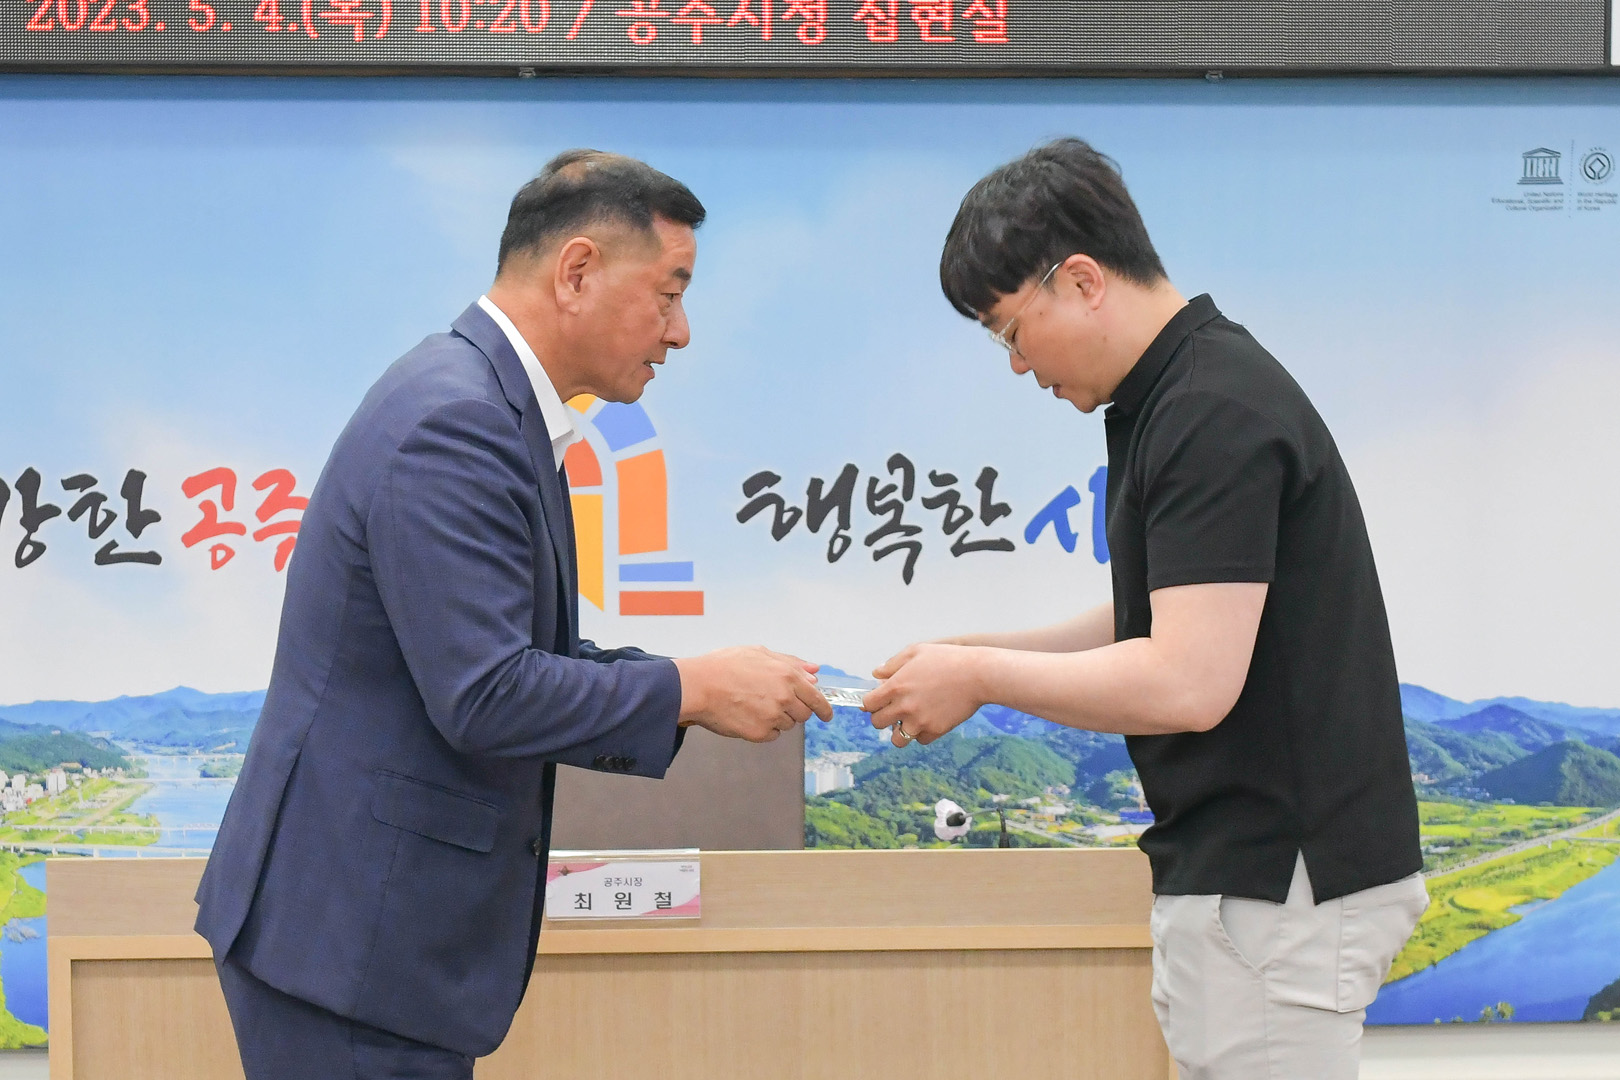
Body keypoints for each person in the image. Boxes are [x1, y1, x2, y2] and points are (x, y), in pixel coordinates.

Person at [194, 149, 832, 1080]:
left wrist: (702, 683)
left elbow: (524, 655)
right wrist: (691, 689)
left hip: (361, 940)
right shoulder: (455, 422)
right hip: (348, 950)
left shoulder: (487, 405)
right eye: (668, 294)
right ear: (576, 272)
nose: (682, 332)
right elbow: (487, 693)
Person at [863, 137, 1428, 1080]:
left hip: (1277, 880)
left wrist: (983, 675)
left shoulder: (1210, 409)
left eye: (1010, 331)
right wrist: (974, 651)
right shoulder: (1179, 392)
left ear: (1082, 280)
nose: (1016, 365)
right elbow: (1160, 615)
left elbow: (1188, 679)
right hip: (1255, 881)